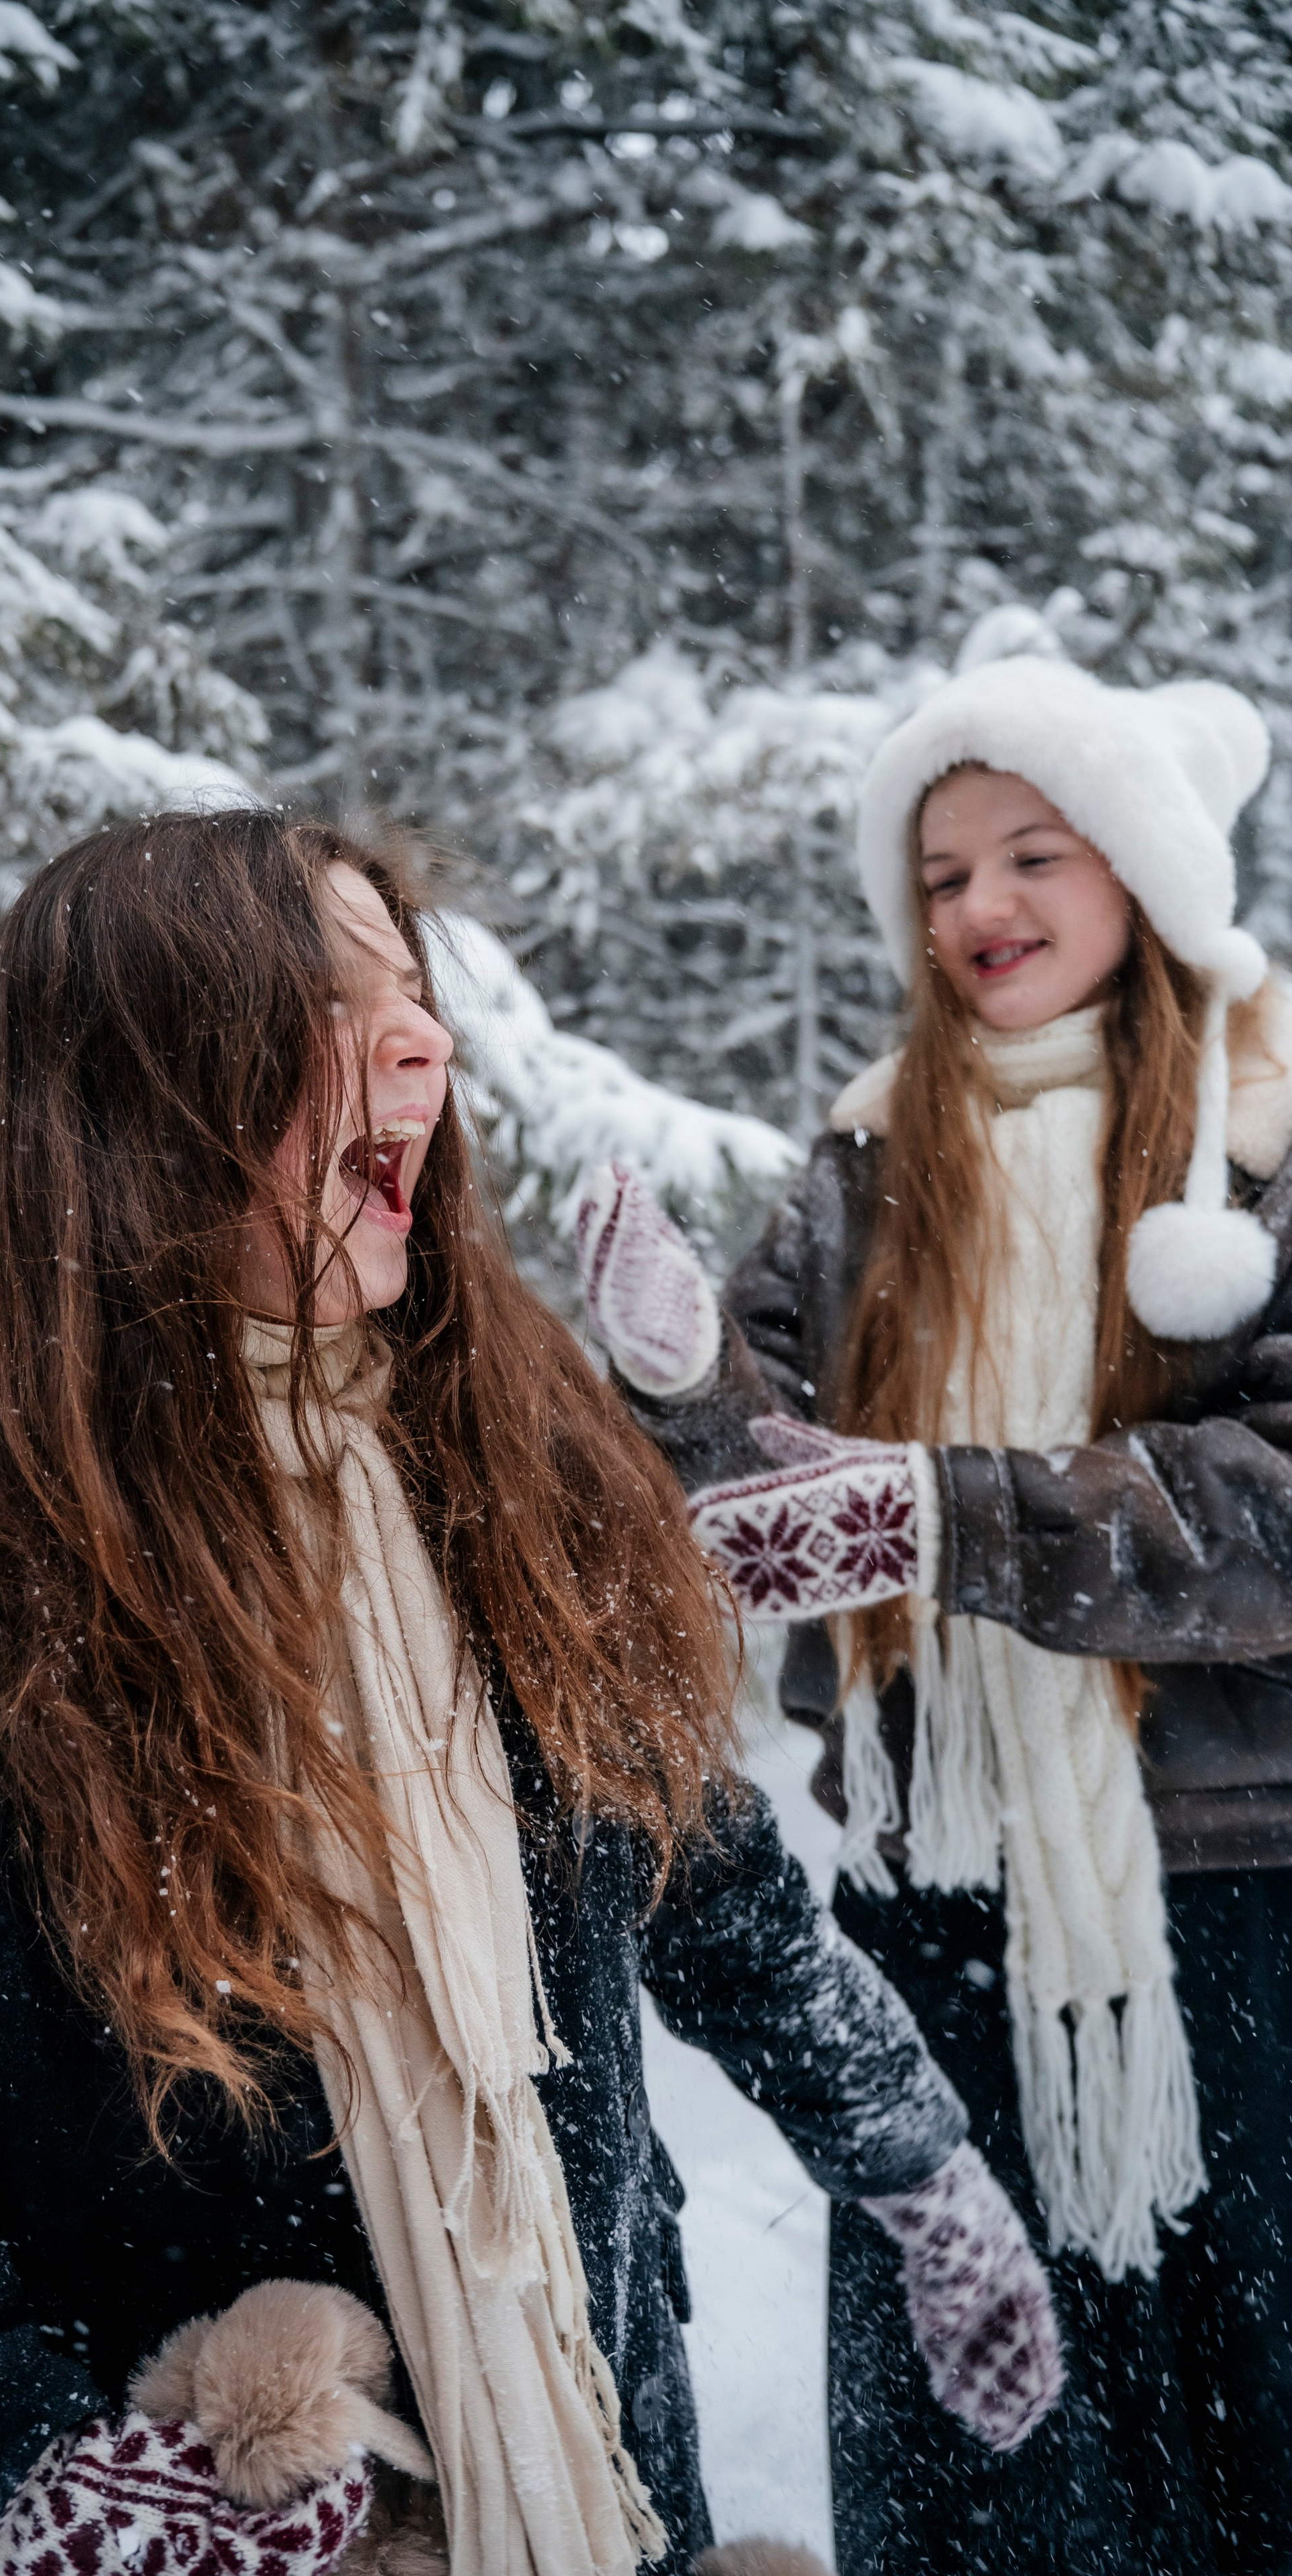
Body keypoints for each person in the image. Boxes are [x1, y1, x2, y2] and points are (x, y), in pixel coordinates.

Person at [0, 812, 1058, 2576]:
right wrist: (13, 2466)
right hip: (229, 2508)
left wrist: (910, 2151)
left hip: (591, 2416)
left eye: (419, 997)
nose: (426, 1043)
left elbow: (684, 1844)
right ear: (141, 1081)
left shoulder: (504, 1424)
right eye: (333, 1001)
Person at [577, 654, 1292, 2576]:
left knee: (1252, 2449)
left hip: (1242, 1904)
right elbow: (747, 1476)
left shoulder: (1265, 1143)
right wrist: (676, 1373)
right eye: (945, 872)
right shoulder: (869, 1169)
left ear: (1142, 875)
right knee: (995, 2486)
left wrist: (946, 1515)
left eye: (1033, 856)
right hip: (937, 1902)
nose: (981, 908)